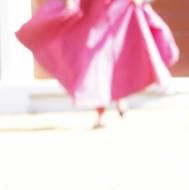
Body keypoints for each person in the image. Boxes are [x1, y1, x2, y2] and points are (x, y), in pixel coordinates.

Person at [16, 0, 179, 128]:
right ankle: (103, 111)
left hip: (118, 10)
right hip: (96, 12)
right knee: (98, 63)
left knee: (117, 56)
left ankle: (119, 98)